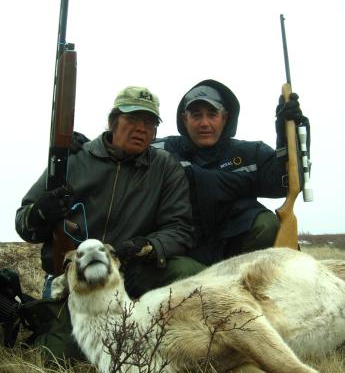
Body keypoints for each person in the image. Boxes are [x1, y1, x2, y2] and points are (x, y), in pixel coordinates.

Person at [15, 86, 204, 300]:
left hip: (131, 274)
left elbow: (179, 228)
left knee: (189, 272)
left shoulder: (166, 168)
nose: (141, 128)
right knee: (58, 334)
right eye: (132, 119)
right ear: (112, 122)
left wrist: (149, 246)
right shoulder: (74, 159)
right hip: (75, 276)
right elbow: (23, 222)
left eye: (149, 122)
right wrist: (39, 212)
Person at [153, 79, 310, 265]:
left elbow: (283, 184)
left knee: (267, 225)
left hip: (236, 255)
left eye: (212, 114)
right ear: (184, 119)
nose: (204, 123)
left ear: (225, 118)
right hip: (182, 246)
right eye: (196, 115)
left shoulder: (252, 153)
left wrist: (287, 136)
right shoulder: (161, 150)